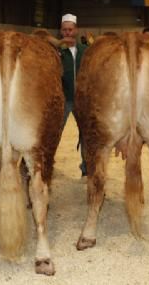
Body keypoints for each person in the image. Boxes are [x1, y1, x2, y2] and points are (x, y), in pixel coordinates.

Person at [59, 13, 88, 180]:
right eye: (64, 30)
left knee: (86, 134)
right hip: (63, 99)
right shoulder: (56, 51)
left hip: (82, 100)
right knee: (54, 133)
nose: (67, 33)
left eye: (70, 29)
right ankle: (48, 165)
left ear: (76, 30)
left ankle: (86, 169)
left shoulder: (86, 51)